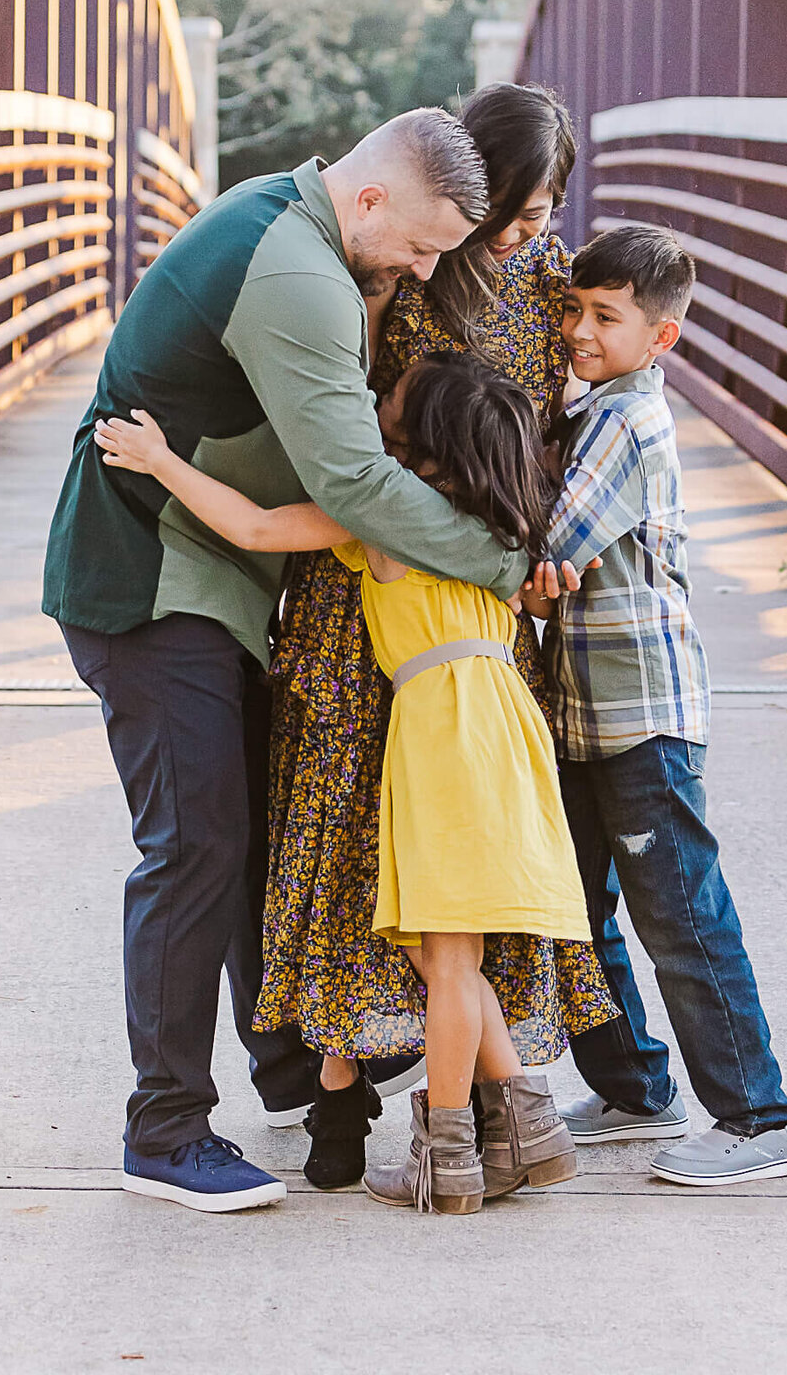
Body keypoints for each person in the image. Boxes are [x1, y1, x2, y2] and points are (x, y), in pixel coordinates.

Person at [42, 109, 532, 1214]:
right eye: (418, 246)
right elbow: (354, 485)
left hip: (208, 585)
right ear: (368, 199)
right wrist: (497, 556)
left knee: (246, 831)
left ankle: (287, 1060)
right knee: (195, 848)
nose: (421, 271)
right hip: (149, 581)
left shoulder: (296, 221)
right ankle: (164, 1131)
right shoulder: (299, 276)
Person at [94, 352, 607, 1214]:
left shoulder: (386, 515)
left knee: (442, 954)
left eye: (392, 404)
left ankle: (448, 1159)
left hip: (440, 730)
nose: (378, 405)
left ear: (424, 447)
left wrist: (161, 462)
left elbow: (255, 528)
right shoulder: (502, 526)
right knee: (451, 950)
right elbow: (548, 597)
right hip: (508, 724)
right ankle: (528, 1129)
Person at [257, 84, 614, 1191]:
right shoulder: (397, 266)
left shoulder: (555, 288)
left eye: (542, 212)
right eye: (512, 206)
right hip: (366, 578)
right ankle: (337, 1097)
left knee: (453, 862)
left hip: (473, 607)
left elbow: (618, 373)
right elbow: (336, 403)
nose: (520, 231)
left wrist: (570, 532)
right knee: (340, 830)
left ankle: (492, 1115)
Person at [532, 222, 787, 1187]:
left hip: (640, 719)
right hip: (584, 714)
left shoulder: (625, 421)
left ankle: (758, 1117)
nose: (578, 331)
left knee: (682, 919)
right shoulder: (595, 404)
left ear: (662, 338)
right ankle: (635, 1088)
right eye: (573, 309)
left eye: (606, 317)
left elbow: (551, 552)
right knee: (579, 911)